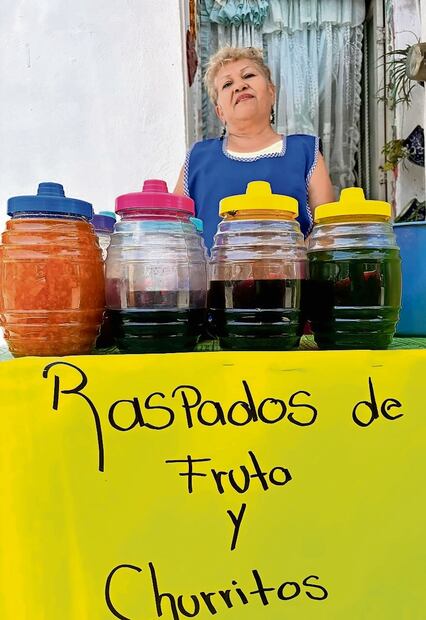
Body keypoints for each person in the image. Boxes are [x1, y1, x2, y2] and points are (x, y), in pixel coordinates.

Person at [174, 46, 335, 251]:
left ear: (271, 92)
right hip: (214, 272)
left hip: (292, 271)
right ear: (220, 112)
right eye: (227, 84)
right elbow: (176, 231)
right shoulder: (198, 159)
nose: (240, 86)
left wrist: (285, 262)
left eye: (248, 75)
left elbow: (326, 231)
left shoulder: (305, 152)